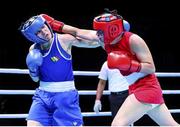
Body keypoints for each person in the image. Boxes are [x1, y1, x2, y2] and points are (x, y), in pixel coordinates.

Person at [55, 9, 179, 126]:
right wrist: (55, 25)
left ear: (112, 30)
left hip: (146, 88)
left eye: (100, 32)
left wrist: (129, 64)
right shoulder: (105, 41)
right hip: (137, 88)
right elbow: (77, 32)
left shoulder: (133, 40)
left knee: (117, 124)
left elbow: (151, 68)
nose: (97, 35)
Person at [19, 14, 100, 126]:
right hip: (42, 95)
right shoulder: (33, 49)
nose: (44, 31)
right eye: (38, 31)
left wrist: (104, 37)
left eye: (43, 26)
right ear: (32, 36)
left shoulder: (63, 40)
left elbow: (93, 43)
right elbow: (35, 79)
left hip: (65, 96)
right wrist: (32, 69)